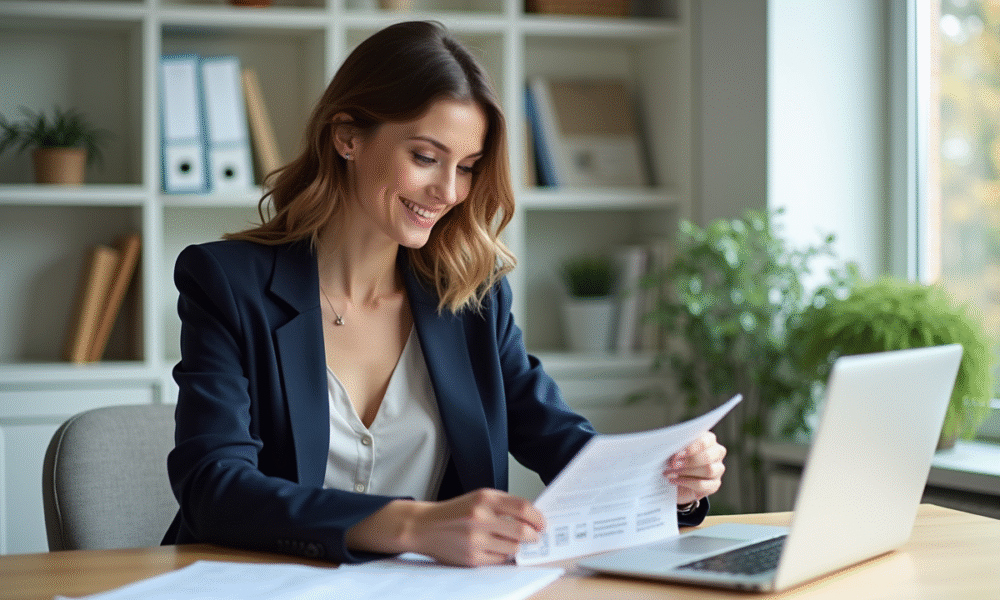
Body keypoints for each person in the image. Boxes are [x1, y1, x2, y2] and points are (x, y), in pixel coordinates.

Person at [162, 20, 726, 567]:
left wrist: (670, 481)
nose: (448, 191)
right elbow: (215, 487)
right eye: (426, 158)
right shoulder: (227, 282)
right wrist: (413, 526)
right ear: (347, 136)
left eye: (469, 167)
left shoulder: (471, 301)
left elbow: (565, 446)